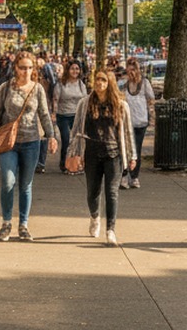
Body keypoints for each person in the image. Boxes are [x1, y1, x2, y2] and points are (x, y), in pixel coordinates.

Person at [0, 51, 58, 241]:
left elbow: (44, 113)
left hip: (31, 141)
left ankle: (23, 225)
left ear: (34, 69)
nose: (26, 71)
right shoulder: (5, 87)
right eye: (22, 67)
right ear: (15, 68)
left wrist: (51, 136)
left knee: (26, 185)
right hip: (9, 142)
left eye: (29, 68)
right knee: (8, 181)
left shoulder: (38, 89)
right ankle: (6, 223)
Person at [69, 69, 136, 246]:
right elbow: (76, 130)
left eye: (104, 80)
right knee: (93, 191)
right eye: (97, 79)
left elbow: (128, 132)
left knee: (112, 192)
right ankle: (95, 217)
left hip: (113, 153)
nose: (99, 83)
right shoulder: (85, 103)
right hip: (91, 152)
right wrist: (73, 153)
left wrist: (132, 155)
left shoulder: (121, 105)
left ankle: (110, 230)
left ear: (110, 83)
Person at [119, 59, 155, 189]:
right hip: (127, 122)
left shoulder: (144, 83)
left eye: (133, 70)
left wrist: (151, 117)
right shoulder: (124, 84)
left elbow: (151, 100)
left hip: (140, 121)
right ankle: (123, 175)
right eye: (129, 71)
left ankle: (134, 176)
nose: (131, 73)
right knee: (125, 149)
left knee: (136, 150)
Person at [53, 60, 88, 175]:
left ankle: (77, 164)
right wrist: (54, 113)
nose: (75, 71)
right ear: (68, 70)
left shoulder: (81, 84)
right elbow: (55, 99)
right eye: (72, 69)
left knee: (78, 141)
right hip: (63, 115)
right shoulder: (61, 84)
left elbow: (85, 99)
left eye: (77, 69)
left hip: (77, 116)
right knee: (66, 139)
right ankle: (64, 164)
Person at [35, 55, 59, 174]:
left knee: (43, 134)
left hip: (45, 106)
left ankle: (41, 162)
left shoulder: (46, 77)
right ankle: (37, 161)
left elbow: (53, 88)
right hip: (37, 108)